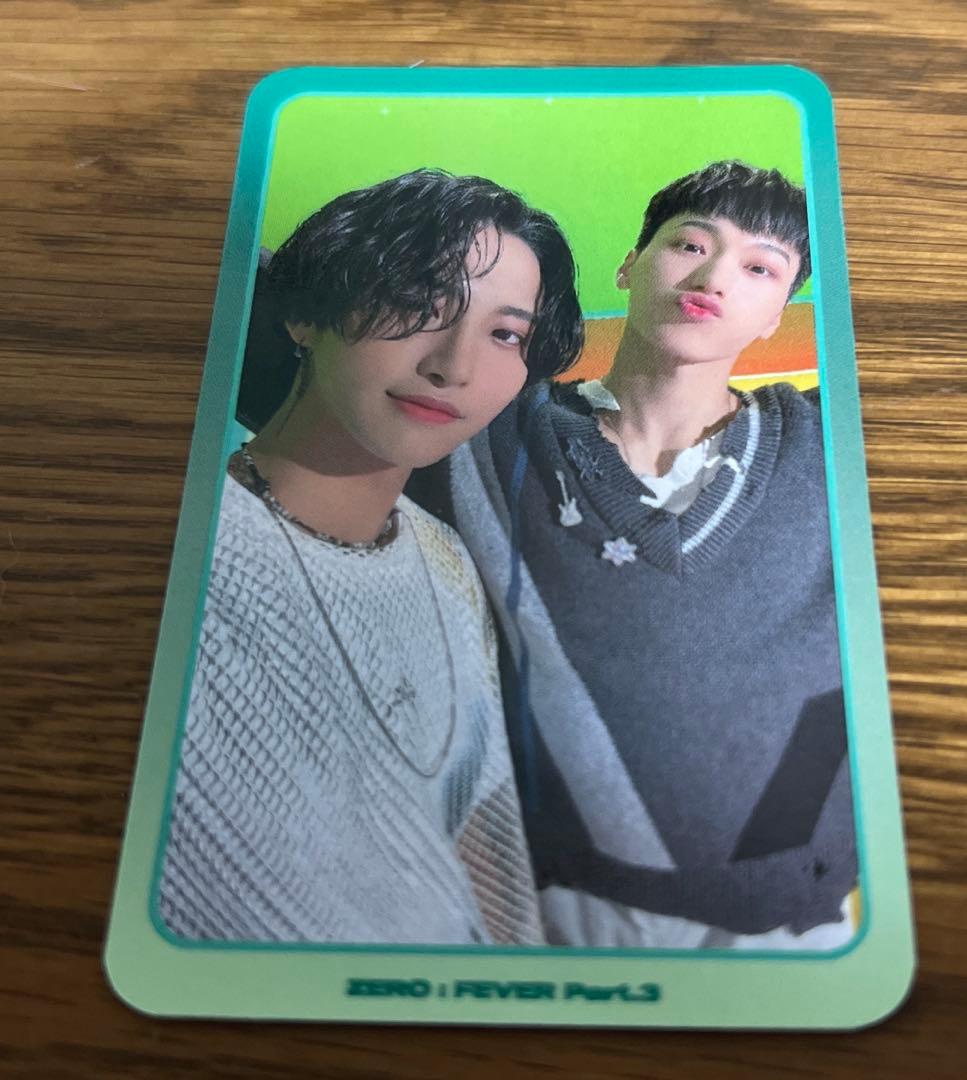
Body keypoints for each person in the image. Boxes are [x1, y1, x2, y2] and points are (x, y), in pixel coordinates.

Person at [408, 161, 858, 949]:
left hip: (795, 919)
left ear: (777, 313)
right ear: (629, 265)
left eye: (760, 268)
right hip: (560, 905)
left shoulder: (831, 444)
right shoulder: (490, 433)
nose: (714, 277)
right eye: (690, 245)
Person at [158, 170, 583, 946]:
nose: (453, 365)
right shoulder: (190, 542)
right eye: (420, 301)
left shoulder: (446, 561)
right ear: (306, 314)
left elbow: (482, 824)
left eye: (505, 335)